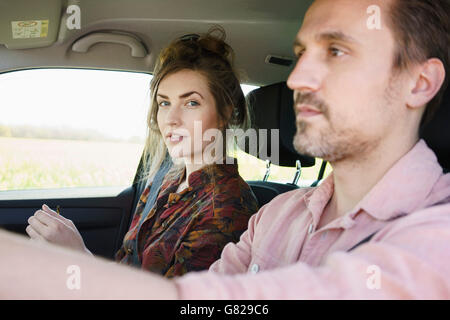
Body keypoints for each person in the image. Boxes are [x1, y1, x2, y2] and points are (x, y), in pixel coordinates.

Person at [0, 0, 449, 299]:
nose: (295, 79)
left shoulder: (437, 233)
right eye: (301, 54)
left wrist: (71, 265)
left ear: (420, 82)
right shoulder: (277, 215)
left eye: (336, 51)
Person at [23, 27, 259, 277]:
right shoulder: (167, 180)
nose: (171, 118)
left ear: (224, 113)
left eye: (191, 103)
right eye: (164, 103)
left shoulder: (228, 208)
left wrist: (80, 258)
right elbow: (127, 264)